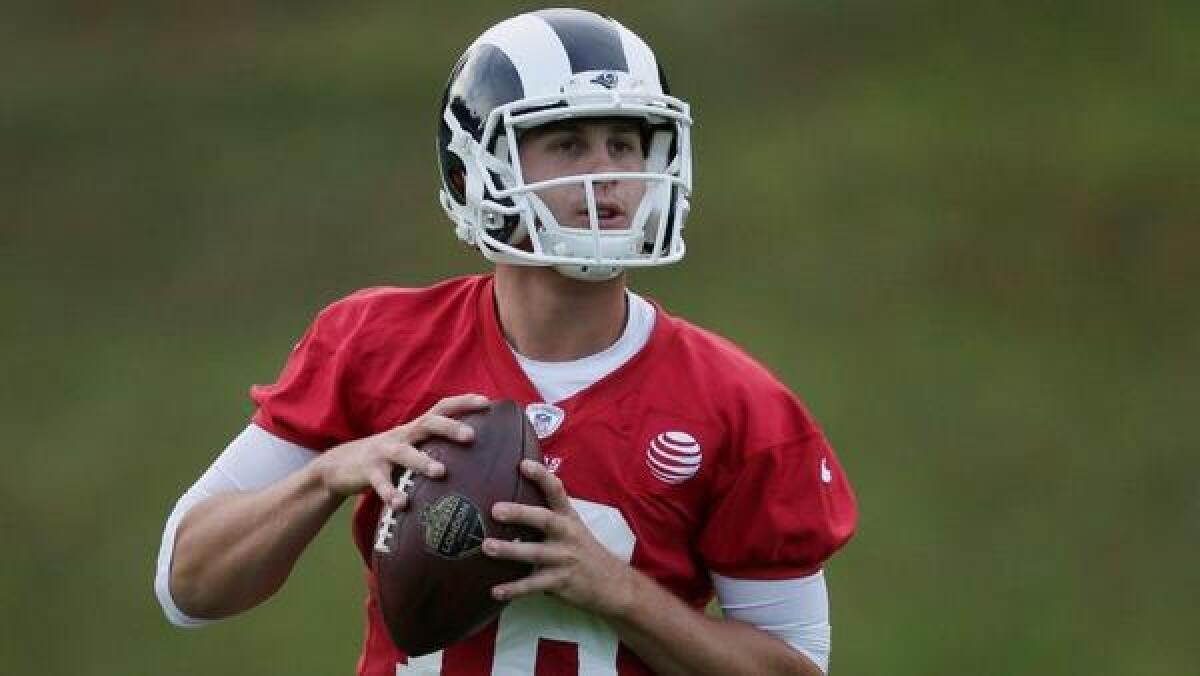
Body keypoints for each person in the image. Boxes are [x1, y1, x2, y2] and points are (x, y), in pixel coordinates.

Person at [155, 8, 857, 676]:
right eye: (568, 142)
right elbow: (188, 583)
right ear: (478, 169)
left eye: (625, 142)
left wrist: (617, 590)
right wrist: (328, 473)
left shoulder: (740, 406)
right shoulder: (374, 344)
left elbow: (797, 666)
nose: (607, 171)